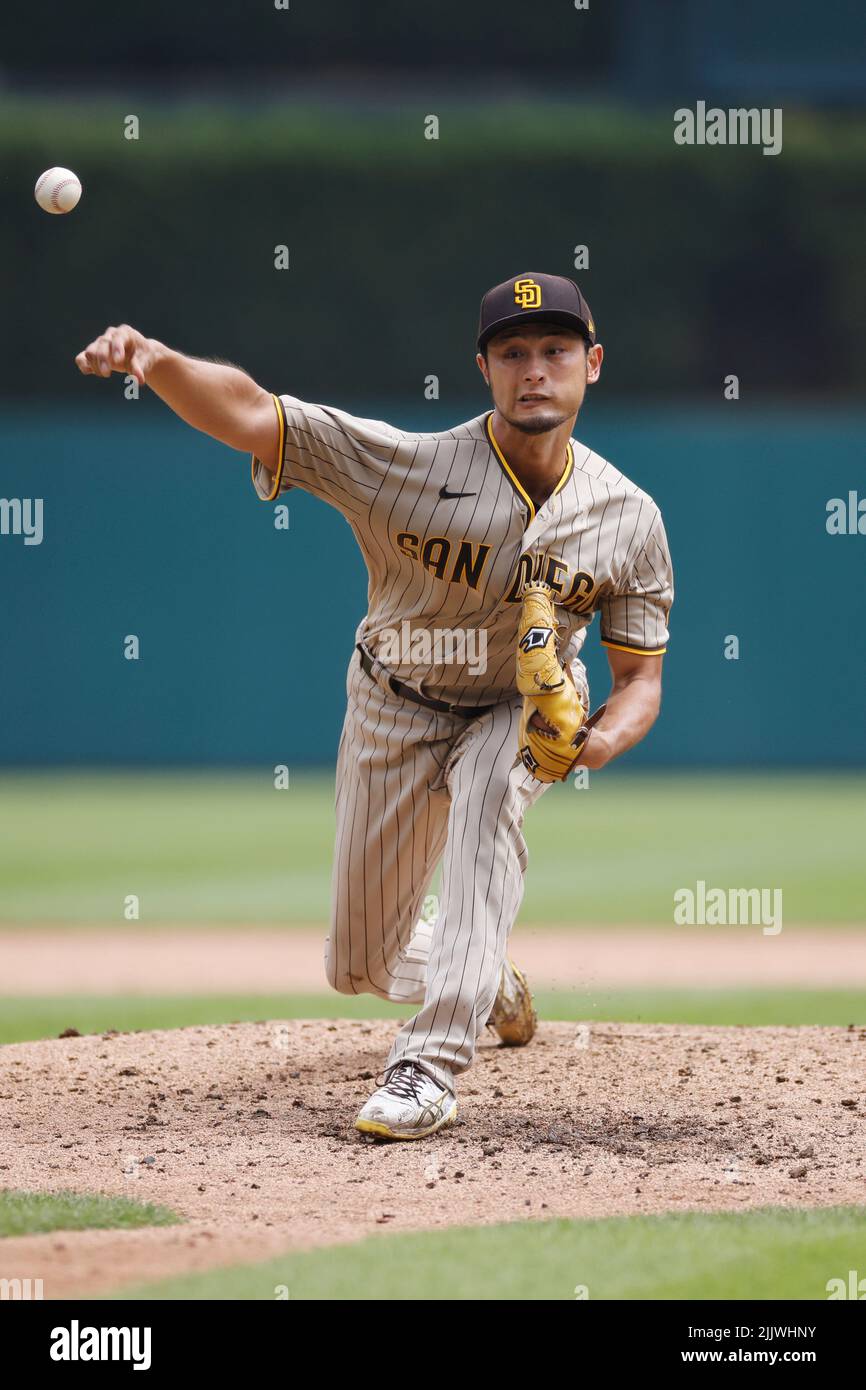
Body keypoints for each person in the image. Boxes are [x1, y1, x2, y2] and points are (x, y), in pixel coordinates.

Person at [75, 271, 673, 1142]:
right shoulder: (410, 466)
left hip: (514, 710)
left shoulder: (629, 518)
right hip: (394, 702)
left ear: (593, 363)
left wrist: (599, 741)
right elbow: (251, 413)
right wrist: (154, 359)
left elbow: (641, 680)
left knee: (487, 810)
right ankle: (482, 977)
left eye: (555, 351)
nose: (535, 369)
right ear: (484, 369)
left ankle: (427, 1067)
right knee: (357, 964)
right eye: (514, 353)